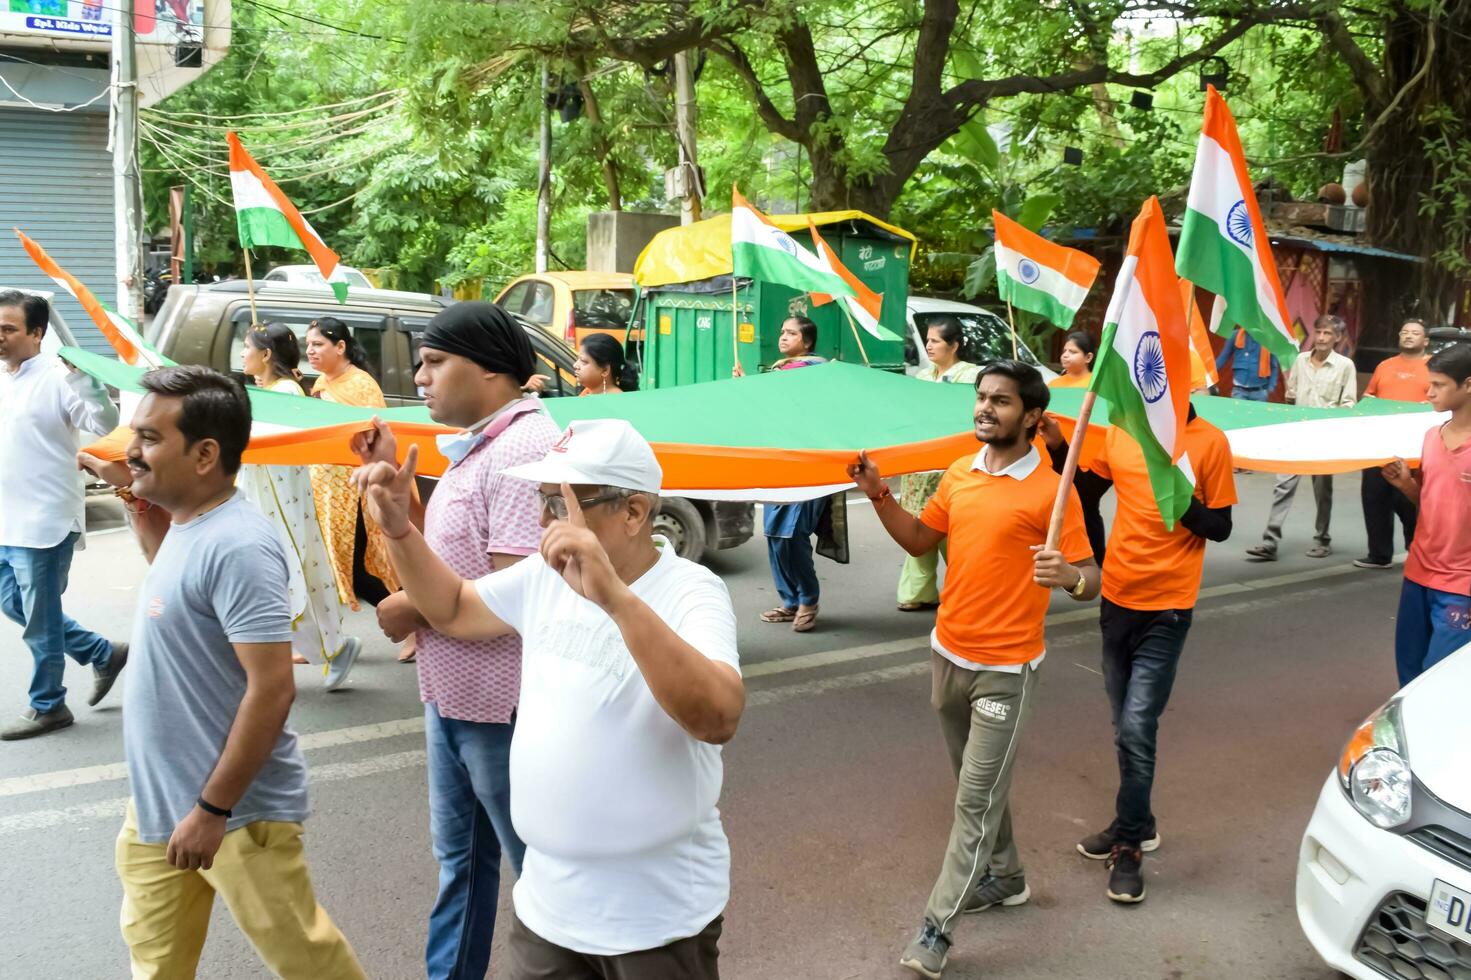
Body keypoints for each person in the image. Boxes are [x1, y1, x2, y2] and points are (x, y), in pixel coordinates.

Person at [354, 417, 744, 980]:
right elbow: (454, 608)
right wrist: (399, 531)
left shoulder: (690, 590)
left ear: (634, 512)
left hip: (655, 918)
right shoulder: (543, 575)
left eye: (561, 504)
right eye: (540, 500)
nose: (542, 523)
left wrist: (614, 596)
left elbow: (718, 716)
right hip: (548, 909)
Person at [88, 365, 364, 978]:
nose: (131, 449)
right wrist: (139, 505)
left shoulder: (239, 545)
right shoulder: (188, 526)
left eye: (150, 439)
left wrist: (212, 810)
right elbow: (186, 598)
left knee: (309, 964)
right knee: (156, 964)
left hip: (235, 813)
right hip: (159, 806)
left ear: (206, 454)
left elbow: (272, 687)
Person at [849, 361, 1100, 980]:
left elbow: (1093, 579)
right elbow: (918, 540)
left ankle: (936, 932)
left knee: (972, 803)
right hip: (947, 656)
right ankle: (1007, 877)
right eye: (982, 398)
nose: (986, 408)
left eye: (1002, 401)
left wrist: (1068, 577)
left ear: (1033, 416)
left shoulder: (1052, 490)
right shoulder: (960, 472)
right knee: (978, 789)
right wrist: (879, 492)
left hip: (1005, 673)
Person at [350, 301, 560, 980]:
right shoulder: (480, 447)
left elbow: (516, 593)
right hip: (455, 695)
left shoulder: (526, 450)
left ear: (493, 367)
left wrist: (411, 608)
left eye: (436, 361)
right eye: (421, 363)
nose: (422, 377)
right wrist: (400, 502)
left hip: (504, 705)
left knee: (542, 877)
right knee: (462, 867)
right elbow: (447, 552)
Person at [1042, 402, 1236, 905]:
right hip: (1117, 599)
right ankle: (1139, 821)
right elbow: (1085, 492)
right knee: (1124, 727)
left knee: (1136, 728)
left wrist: (1174, 491)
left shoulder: (1210, 441)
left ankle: (1128, 847)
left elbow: (1220, 526)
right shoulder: (1123, 431)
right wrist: (1060, 445)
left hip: (1169, 608)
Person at [0, 290, 125, 740]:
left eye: (9, 329)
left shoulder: (58, 378)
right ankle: (101, 652)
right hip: (5, 520)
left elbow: (105, 426)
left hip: (44, 520)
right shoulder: (2, 378)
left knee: (39, 618)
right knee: (16, 605)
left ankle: (49, 705)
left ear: (37, 333)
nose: (0, 338)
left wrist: (86, 382)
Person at [238, 322, 362, 688]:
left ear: (265, 355)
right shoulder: (270, 390)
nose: (242, 354)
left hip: (283, 502)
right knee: (284, 577)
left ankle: (330, 649)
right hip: (265, 498)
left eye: (247, 347)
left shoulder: (286, 390)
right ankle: (328, 649)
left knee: (291, 574)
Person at [1380, 343, 1471, 684]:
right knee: (1410, 669)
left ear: (1468, 385)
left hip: (1462, 584)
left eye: (1439, 385)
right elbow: (1430, 500)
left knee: (1439, 677)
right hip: (1419, 573)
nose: (1429, 392)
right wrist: (1405, 484)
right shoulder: (1432, 436)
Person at [1245, 315, 1357, 561]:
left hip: (1325, 437)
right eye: (1318, 332)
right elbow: (1290, 395)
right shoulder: (1301, 360)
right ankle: (1269, 542)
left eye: (1328, 334)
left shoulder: (1345, 366)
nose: (1321, 338)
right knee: (1283, 485)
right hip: (1296, 433)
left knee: (1323, 490)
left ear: (1337, 338)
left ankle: (1322, 539)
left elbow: (1349, 404)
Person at [897, 316, 980, 612]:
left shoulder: (971, 377)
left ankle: (970, 589)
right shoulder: (922, 376)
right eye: (928, 340)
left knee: (951, 530)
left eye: (935, 341)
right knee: (918, 525)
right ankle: (917, 592)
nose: (929, 346)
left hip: (952, 464)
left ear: (954, 345)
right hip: (920, 466)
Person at [757, 316, 829, 632]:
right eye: (782, 331)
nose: (783, 337)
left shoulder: (817, 371)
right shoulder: (779, 370)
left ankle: (808, 599)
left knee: (794, 534)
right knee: (774, 534)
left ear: (807, 342)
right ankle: (789, 600)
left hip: (807, 464)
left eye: (791, 333)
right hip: (778, 463)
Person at [1356, 318, 1432, 569]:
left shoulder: (1435, 366)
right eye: (1405, 332)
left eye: (1415, 333)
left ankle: (1415, 548)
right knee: (1374, 496)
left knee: (1407, 499)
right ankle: (1379, 554)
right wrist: (1367, 401)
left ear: (1426, 340)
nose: (1409, 336)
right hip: (1379, 444)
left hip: (1415, 447)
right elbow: (1369, 395)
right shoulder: (1385, 366)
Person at [1048, 330, 1109, 563]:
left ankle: (1097, 557)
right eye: (1064, 351)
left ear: (1088, 357)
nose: (1065, 355)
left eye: (1072, 352)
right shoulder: (1054, 384)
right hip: (1060, 454)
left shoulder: (1097, 386)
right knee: (1059, 507)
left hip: (1090, 459)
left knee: (1087, 506)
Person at [1215, 326, 1279, 400]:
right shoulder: (1235, 336)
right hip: (1239, 391)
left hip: (1260, 391)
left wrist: (1271, 388)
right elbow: (1222, 358)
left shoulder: (1268, 339)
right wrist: (1207, 378)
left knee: (1258, 412)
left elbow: (1274, 366)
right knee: (1238, 411)